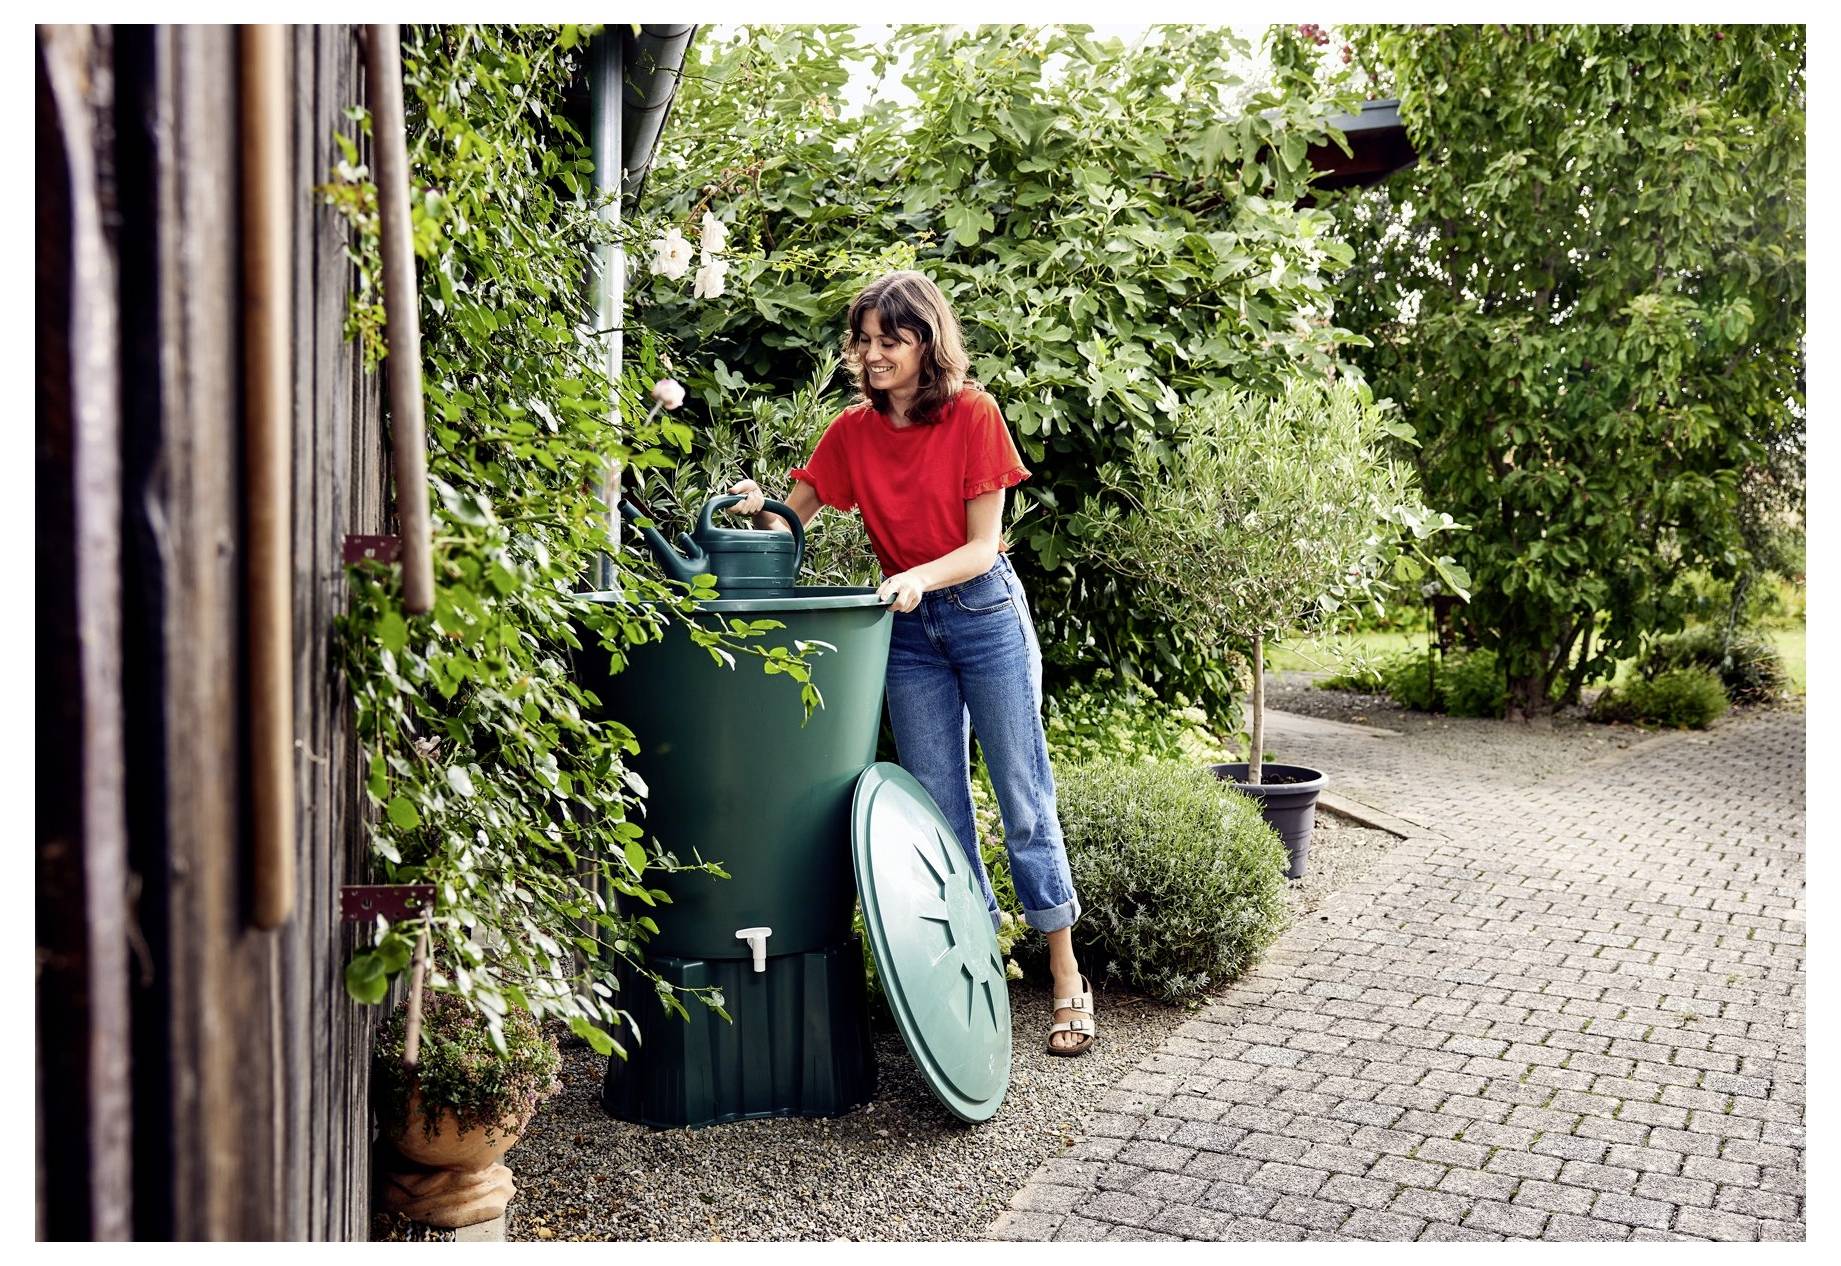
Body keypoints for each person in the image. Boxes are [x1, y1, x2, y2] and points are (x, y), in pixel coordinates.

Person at [724, 270, 1095, 1057]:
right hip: (908, 631)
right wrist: (760, 510)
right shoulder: (851, 431)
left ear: (926, 342)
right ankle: (978, 974)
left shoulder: (973, 414)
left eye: (889, 340)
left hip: (982, 615)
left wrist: (918, 577)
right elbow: (789, 525)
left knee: (1023, 798)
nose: (872, 354)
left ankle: (1066, 974)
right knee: (940, 814)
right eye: (863, 340)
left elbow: (982, 547)